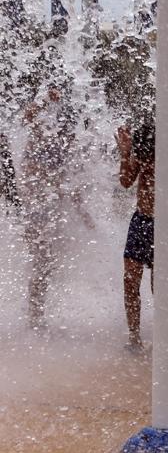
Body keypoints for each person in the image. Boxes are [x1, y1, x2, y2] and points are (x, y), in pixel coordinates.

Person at [19, 82, 77, 330]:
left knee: (47, 264)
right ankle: (35, 317)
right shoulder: (39, 137)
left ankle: (37, 314)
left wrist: (84, 215)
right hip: (35, 208)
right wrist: (45, 99)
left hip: (53, 211)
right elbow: (28, 116)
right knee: (41, 261)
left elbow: (68, 184)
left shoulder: (63, 148)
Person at [117, 122, 156, 352]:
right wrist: (125, 154)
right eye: (143, 157)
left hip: (165, 227)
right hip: (141, 222)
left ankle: (163, 335)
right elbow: (125, 182)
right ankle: (134, 337)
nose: (147, 162)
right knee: (130, 282)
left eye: (150, 157)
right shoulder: (141, 156)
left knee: (159, 285)